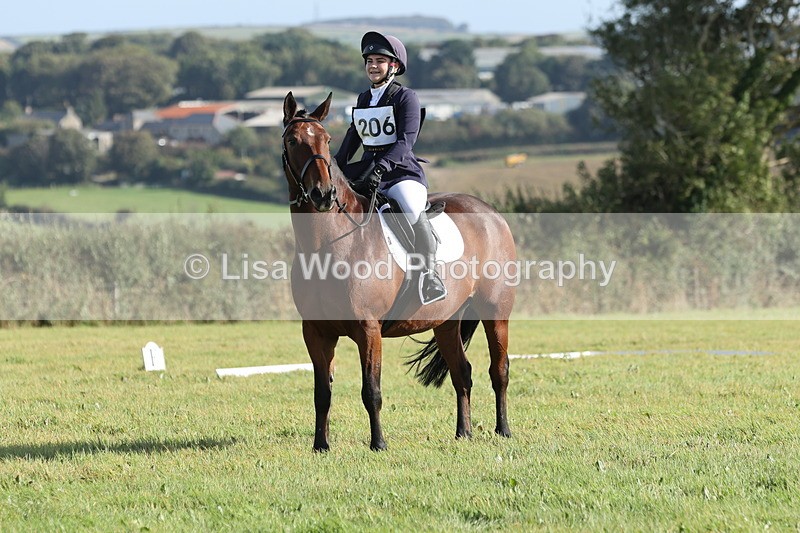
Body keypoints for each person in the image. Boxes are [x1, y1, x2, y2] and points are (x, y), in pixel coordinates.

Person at [335, 31, 447, 305]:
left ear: (393, 66)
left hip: (400, 172)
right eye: (369, 60)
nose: (373, 65)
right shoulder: (363, 99)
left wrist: (382, 167)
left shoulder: (405, 97)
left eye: (380, 61)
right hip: (367, 170)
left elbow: (406, 141)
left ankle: (430, 277)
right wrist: (334, 169)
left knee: (410, 207)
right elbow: (354, 137)